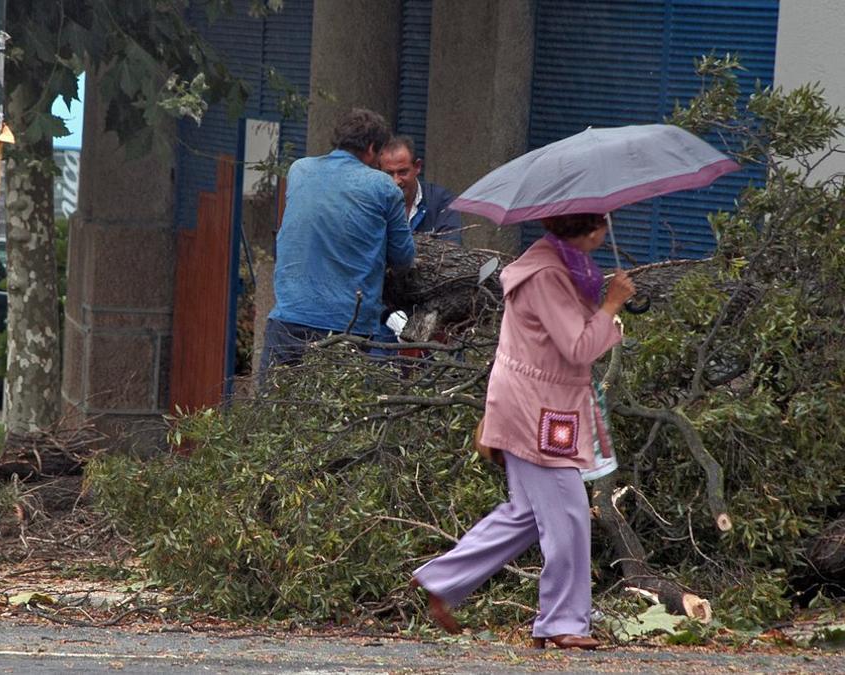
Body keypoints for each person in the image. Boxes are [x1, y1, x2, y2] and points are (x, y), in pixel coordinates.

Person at [410, 212, 636, 650]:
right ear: (589, 231)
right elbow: (578, 347)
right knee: (568, 513)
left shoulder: (561, 264)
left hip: (540, 402)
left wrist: (602, 305)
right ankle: (562, 622)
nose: (606, 231)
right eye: (603, 224)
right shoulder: (548, 275)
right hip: (538, 409)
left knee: (529, 515)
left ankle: (442, 579)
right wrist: (612, 304)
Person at [259, 108, 415, 378]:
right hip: (347, 328)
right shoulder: (383, 187)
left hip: (287, 322)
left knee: (271, 414)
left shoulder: (300, 170)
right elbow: (403, 257)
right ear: (371, 148)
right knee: (340, 418)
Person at [378, 137, 462, 237]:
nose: (396, 181)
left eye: (403, 172)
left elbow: (452, 245)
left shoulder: (441, 201)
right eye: (389, 174)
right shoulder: (372, 203)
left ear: (417, 167)